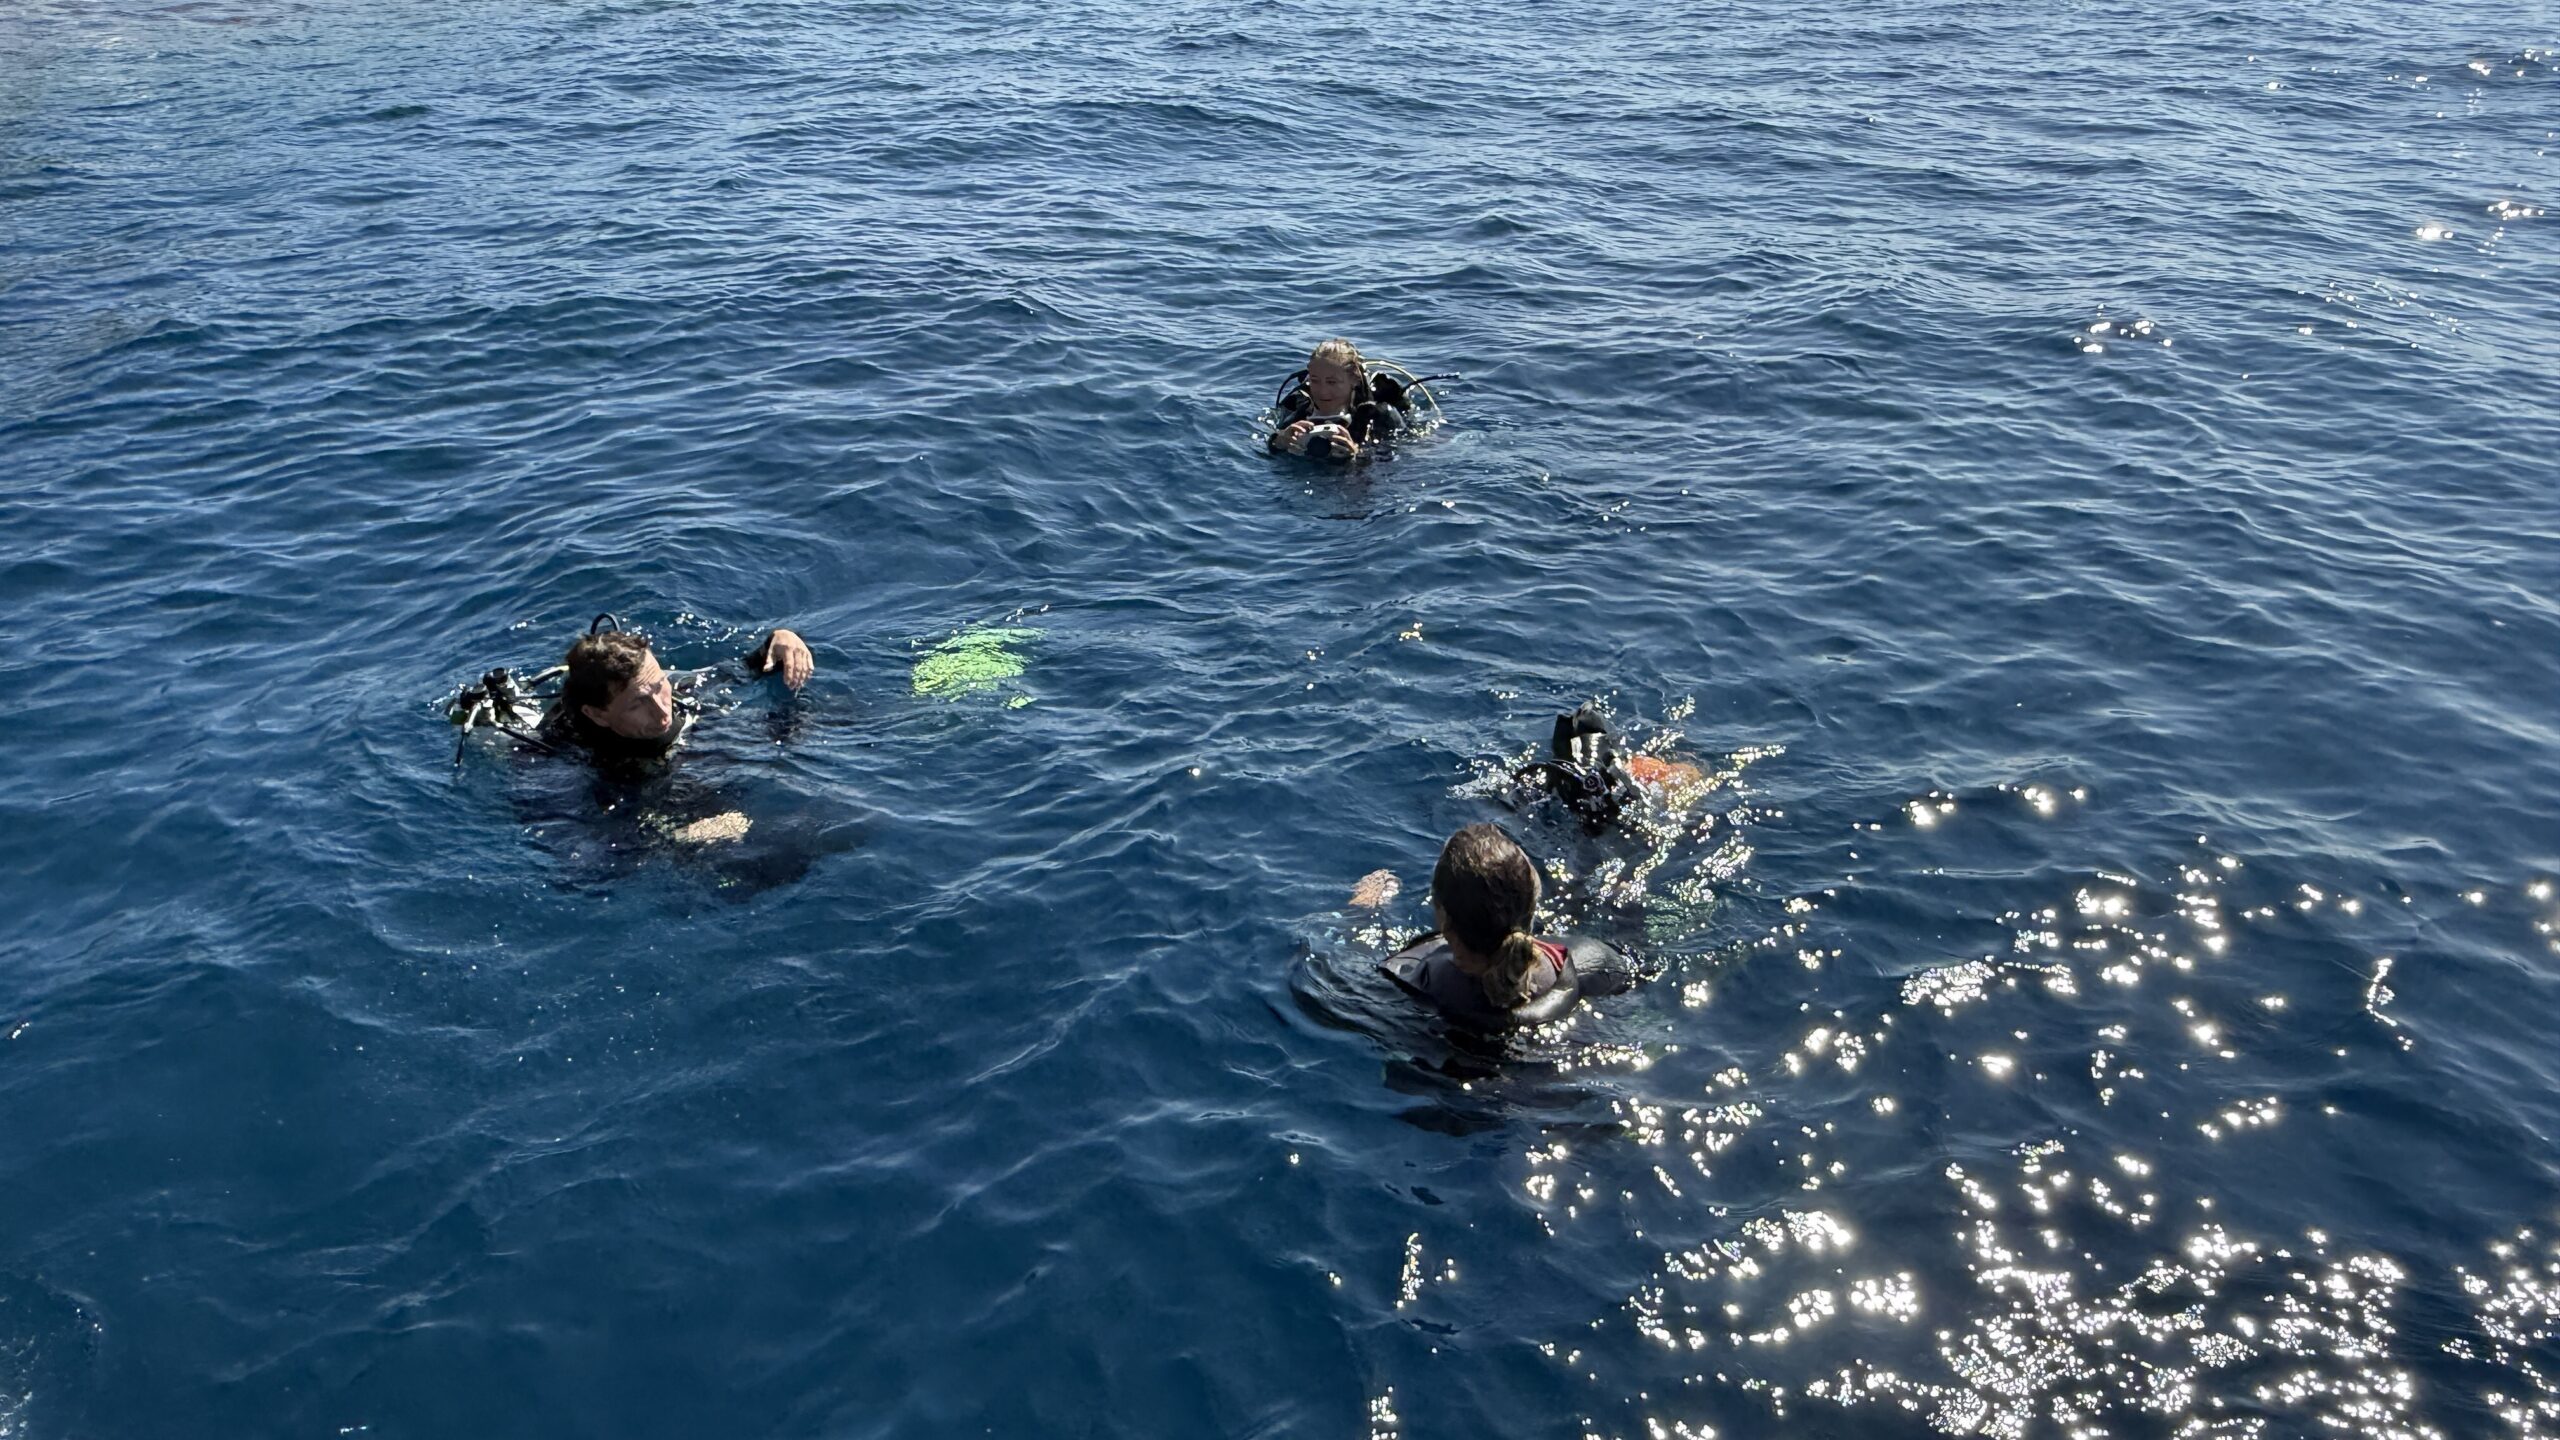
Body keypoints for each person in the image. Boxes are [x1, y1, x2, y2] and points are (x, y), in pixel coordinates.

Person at [1368, 824, 1632, 1032]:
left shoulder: (1410, 981)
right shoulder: (1585, 964)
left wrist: (1363, 911)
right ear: (1531, 909)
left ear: (1445, 920)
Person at [542, 621, 812, 758]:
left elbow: (745, 668)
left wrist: (781, 639)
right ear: (598, 714)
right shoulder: (564, 751)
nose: (662, 711)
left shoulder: (682, 689)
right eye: (638, 704)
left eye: (660, 686)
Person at [1267, 338, 1408, 462]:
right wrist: (1279, 442)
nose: (1322, 391)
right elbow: (1271, 450)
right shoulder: (1300, 413)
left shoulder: (1379, 415)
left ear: (1354, 380)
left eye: (1332, 382)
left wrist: (1357, 454)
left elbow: (1399, 459)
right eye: (1315, 381)